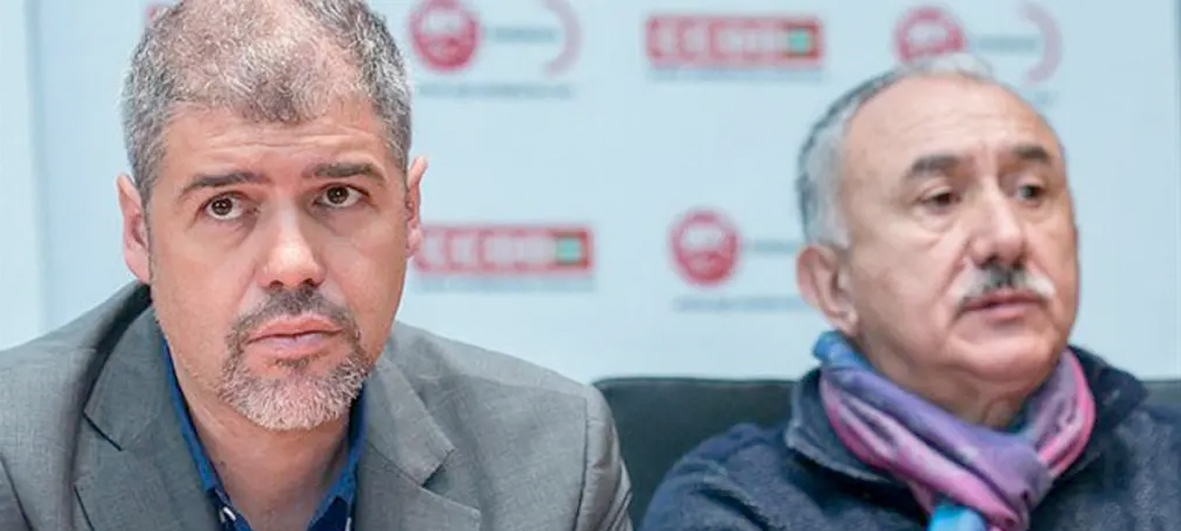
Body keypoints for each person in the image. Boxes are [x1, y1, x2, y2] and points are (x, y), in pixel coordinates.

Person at [0, 1, 632, 530]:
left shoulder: (551, 463)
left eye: (338, 195)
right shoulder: (18, 463)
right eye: (225, 206)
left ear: (410, 210)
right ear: (140, 233)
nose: (292, 264)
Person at [641, 53, 1181, 530]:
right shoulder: (739, 504)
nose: (1006, 238)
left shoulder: (1167, 467)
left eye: (1031, 192)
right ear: (833, 287)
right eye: (941, 198)